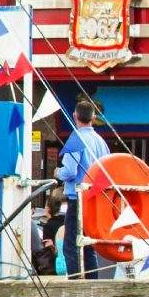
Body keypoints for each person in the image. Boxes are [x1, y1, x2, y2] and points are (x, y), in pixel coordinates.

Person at [57, 100, 111, 279]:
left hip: (77, 199)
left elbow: (70, 171)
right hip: (95, 199)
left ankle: (74, 282)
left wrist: (58, 172)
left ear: (74, 116)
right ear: (94, 117)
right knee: (89, 246)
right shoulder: (101, 142)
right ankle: (92, 282)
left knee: (71, 244)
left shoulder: (75, 138)